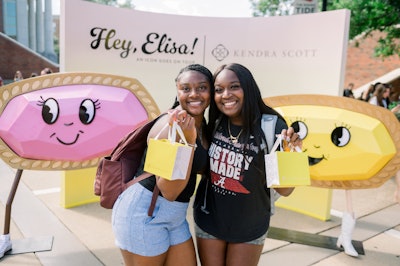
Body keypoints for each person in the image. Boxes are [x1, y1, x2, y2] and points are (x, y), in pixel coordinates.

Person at [193, 63, 301, 266]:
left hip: (250, 224)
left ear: (248, 88)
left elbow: (285, 190)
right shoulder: (216, 123)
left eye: (234, 86)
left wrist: (292, 153)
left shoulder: (272, 126)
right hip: (209, 220)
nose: (226, 94)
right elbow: (203, 168)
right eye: (219, 89)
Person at [112, 64, 213, 266]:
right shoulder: (169, 127)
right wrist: (188, 143)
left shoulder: (201, 126)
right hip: (144, 212)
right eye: (186, 88)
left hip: (175, 216)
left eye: (202, 87)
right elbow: (169, 190)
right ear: (177, 90)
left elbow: (201, 166)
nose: (194, 94)